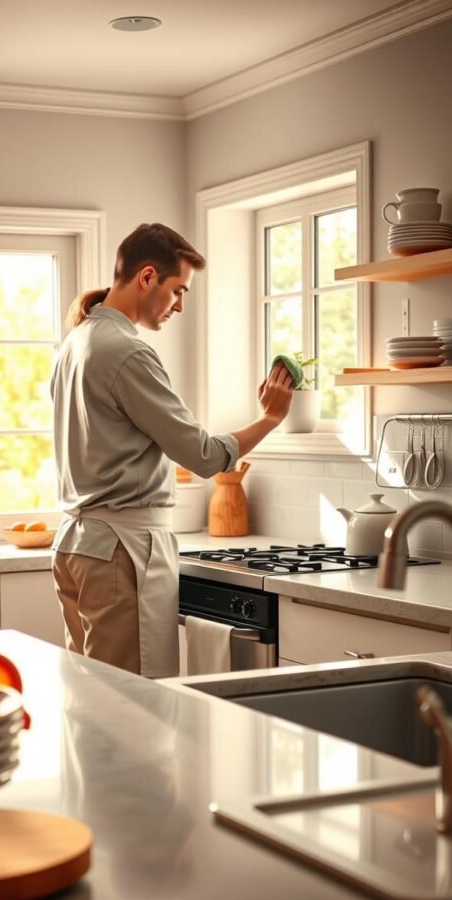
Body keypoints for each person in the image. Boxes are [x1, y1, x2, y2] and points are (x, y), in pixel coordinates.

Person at [51, 222, 294, 679]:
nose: (180, 305)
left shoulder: (75, 342)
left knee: (94, 704)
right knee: (135, 710)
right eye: (178, 290)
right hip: (122, 551)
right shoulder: (126, 352)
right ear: (147, 277)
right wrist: (269, 419)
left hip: (78, 546)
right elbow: (202, 456)